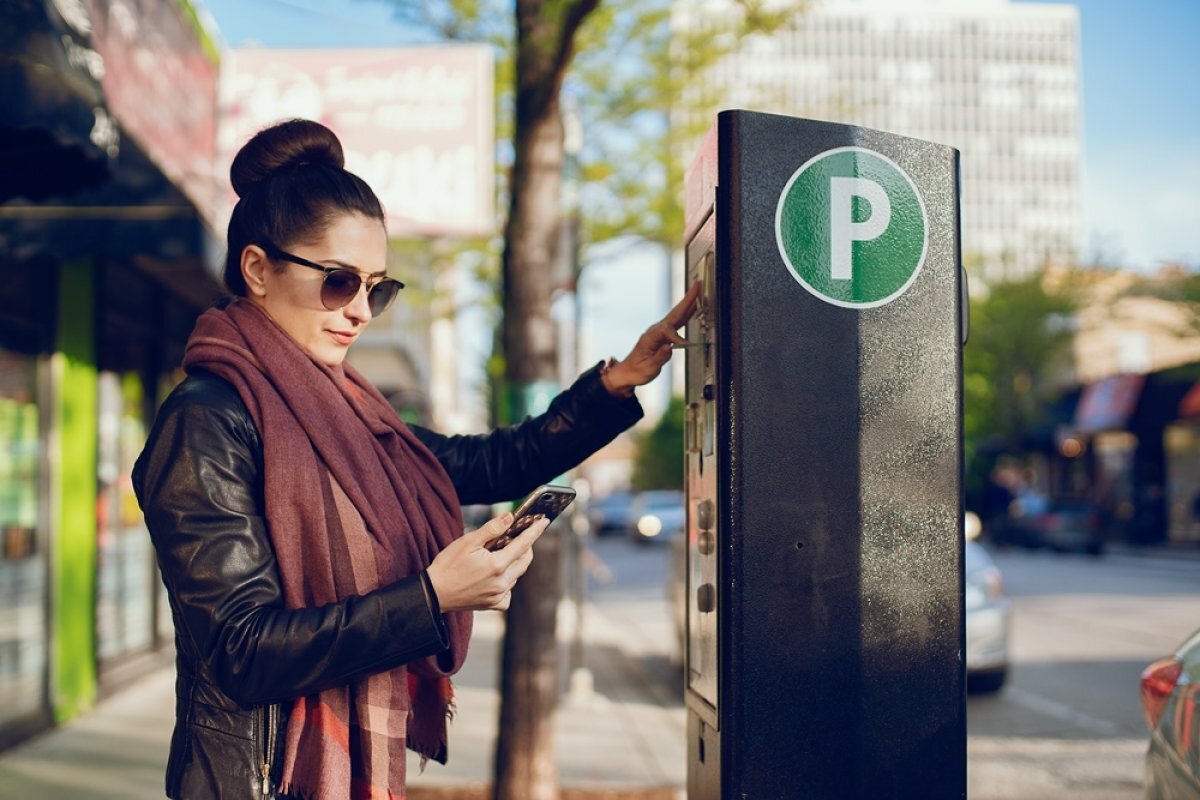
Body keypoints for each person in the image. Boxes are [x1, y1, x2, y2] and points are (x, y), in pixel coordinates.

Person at [132, 118, 700, 800]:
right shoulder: (206, 421)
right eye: (340, 281)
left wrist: (615, 385)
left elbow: (487, 464)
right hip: (256, 781)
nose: (362, 311)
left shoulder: (352, 411)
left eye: (378, 288)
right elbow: (241, 650)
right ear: (257, 268)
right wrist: (431, 598)